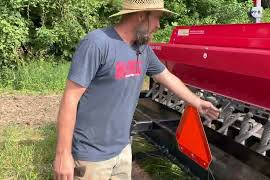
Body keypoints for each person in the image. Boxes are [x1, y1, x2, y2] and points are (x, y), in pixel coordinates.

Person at [53, 0, 220, 179]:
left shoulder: (143, 50)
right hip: (91, 155)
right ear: (141, 16)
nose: (158, 26)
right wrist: (63, 154)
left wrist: (196, 101)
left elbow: (167, 77)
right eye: (157, 18)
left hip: (123, 149)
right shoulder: (97, 43)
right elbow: (70, 99)